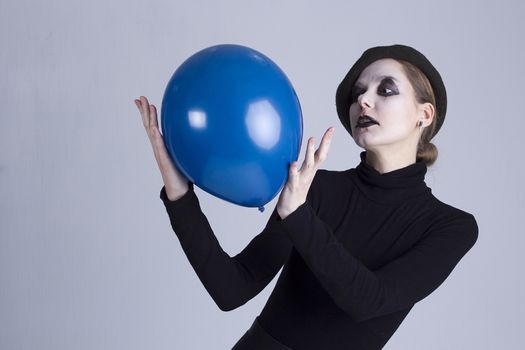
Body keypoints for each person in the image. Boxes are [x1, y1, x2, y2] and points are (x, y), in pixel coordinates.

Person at [134, 44, 479, 350]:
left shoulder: (451, 227)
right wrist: (179, 193)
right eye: (358, 93)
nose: (363, 100)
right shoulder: (314, 189)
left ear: (425, 113)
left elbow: (368, 301)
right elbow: (231, 290)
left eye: (386, 89)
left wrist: (299, 217)